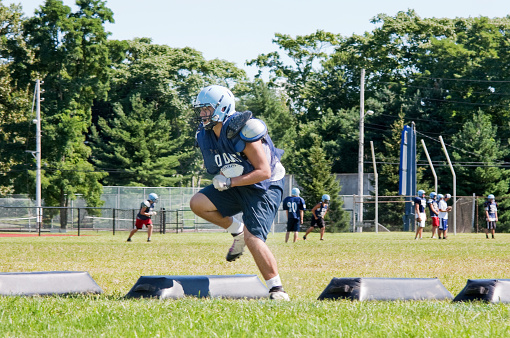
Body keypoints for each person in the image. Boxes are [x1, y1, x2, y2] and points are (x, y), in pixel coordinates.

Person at [189, 85, 289, 300]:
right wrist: (230, 181)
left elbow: (263, 172)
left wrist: (230, 181)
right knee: (198, 203)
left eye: (207, 109)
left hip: (265, 186)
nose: (203, 114)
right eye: (201, 110)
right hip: (236, 183)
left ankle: (277, 289)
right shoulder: (205, 133)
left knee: (254, 239)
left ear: (222, 107)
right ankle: (238, 230)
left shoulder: (245, 128)